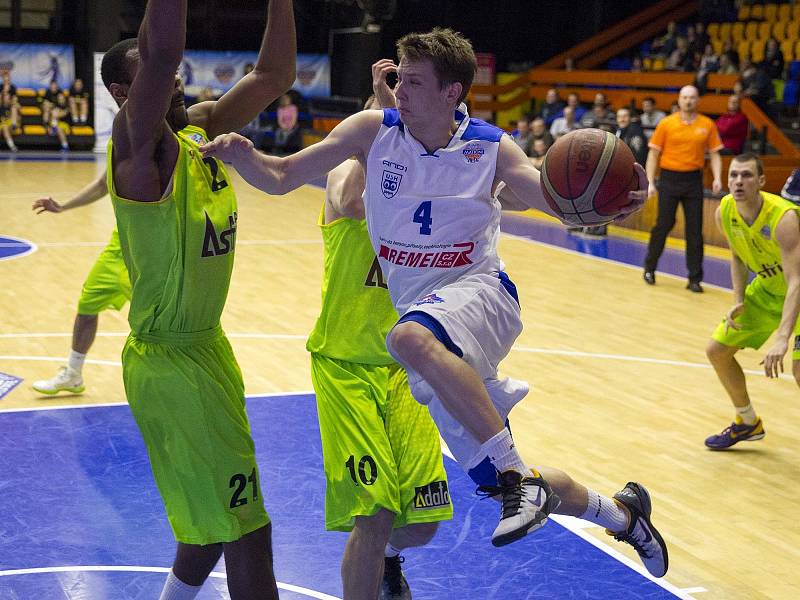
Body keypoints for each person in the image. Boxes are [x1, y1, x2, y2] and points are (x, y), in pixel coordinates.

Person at [201, 27, 651, 551]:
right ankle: (621, 514)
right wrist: (242, 153)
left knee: (406, 339)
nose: (401, 90)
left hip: (483, 296)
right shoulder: (372, 131)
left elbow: (557, 201)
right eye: (399, 79)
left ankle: (515, 481)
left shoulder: (489, 148)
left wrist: (612, 204)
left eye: (413, 81)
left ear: (452, 92)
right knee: (488, 473)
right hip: (431, 321)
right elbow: (280, 177)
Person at [101, 1, 295, 598]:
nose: (177, 76)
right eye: (157, 74)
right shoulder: (139, 147)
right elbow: (161, 52)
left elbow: (274, 75)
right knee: (248, 528)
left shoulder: (201, 129)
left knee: (211, 524)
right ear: (121, 91)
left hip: (206, 350)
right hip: (172, 363)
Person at [309, 88, 453, 600]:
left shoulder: (425, 197)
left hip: (403, 369)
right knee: (374, 513)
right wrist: (381, 115)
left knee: (424, 521)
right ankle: (371, 567)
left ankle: (388, 560)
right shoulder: (344, 177)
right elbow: (350, 201)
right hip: (345, 364)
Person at [704, 154, 800, 449]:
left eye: (746, 175)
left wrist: (783, 337)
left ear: (760, 181)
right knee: (717, 351)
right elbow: (737, 255)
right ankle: (747, 422)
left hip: (797, 290)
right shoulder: (726, 211)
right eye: (733, 175)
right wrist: (738, 298)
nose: (737, 182)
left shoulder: (784, 218)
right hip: (768, 291)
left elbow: (797, 280)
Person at [643, 85, 723, 292]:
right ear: (679, 100)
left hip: (693, 180)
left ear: (697, 100)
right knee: (664, 224)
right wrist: (650, 182)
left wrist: (717, 178)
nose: (688, 101)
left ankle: (694, 279)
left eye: (692, 97)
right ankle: (649, 268)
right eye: (685, 97)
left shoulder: (707, 124)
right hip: (669, 178)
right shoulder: (666, 123)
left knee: (695, 230)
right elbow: (653, 154)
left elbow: (715, 154)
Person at [1, 71, 19, 152]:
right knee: (4, 127)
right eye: (5, 96)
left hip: (9, 122)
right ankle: (12, 146)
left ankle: (14, 124)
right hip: (2, 123)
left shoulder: (13, 88)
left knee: (14, 107)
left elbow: (15, 100)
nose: (7, 97)